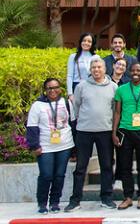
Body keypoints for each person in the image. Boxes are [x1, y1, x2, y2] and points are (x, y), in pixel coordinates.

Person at [66, 56, 117, 211]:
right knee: (81, 167)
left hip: (106, 132)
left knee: (107, 166)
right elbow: (76, 106)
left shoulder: (113, 87)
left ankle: (106, 198)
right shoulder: (81, 86)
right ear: (90, 70)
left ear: (105, 69)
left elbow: (115, 110)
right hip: (84, 132)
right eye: (93, 67)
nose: (96, 70)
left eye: (99, 67)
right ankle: (75, 200)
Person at [112, 62, 140, 210]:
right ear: (129, 72)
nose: (136, 73)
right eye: (133, 70)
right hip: (125, 131)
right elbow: (117, 112)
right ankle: (127, 197)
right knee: (125, 166)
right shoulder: (121, 90)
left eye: (138, 70)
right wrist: (114, 133)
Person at [27, 78, 74, 215]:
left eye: (55, 87)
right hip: (45, 146)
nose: (53, 91)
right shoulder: (38, 105)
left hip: (65, 145)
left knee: (59, 175)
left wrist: (75, 148)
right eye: (49, 88)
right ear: (45, 90)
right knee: (46, 175)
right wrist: (34, 146)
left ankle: (55, 202)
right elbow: (32, 126)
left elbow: (73, 122)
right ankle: (42, 203)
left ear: (60, 89)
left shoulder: (66, 102)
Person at [66, 33, 94, 97]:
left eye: (89, 41)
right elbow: (69, 76)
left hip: (92, 86)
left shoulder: (95, 57)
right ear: (80, 42)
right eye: (84, 40)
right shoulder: (73, 57)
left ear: (92, 44)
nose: (86, 43)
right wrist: (70, 94)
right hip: (77, 86)